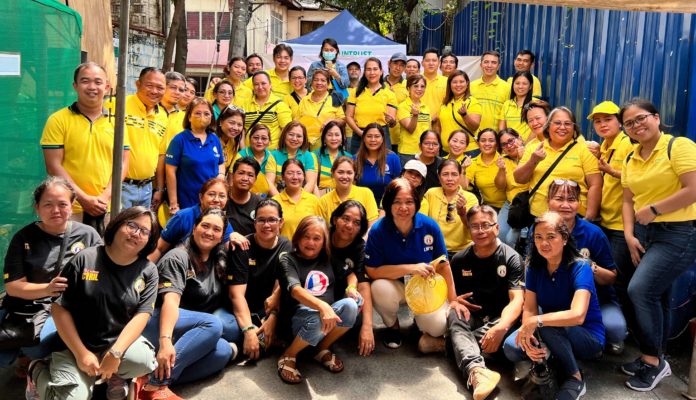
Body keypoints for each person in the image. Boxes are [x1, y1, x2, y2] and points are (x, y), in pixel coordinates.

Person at [28, 207, 160, 400]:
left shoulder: (149, 270)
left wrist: (116, 353)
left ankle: (113, 374)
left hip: (116, 344)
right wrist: (81, 354)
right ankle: (38, 372)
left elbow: (143, 314)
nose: (136, 234)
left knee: (143, 361)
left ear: (149, 239)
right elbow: (58, 306)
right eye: (131, 225)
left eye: (144, 231)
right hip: (74, 346)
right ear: (117, 225)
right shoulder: (86, 258)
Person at [619, 99, 696, 391]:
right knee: (657, 295)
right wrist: (629, 234)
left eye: (641, 119)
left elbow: (694, 189)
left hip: (678, 233)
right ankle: (655, 356)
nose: (637, 126)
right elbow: (628, 199)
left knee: (640, 290)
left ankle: (653, 361)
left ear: (656, 117)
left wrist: (655, 210)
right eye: (629, 123)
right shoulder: (631, 157)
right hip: (644, 233)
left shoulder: (679, 146)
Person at [2, 177, 101, 373]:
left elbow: (102, 275)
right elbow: (13, 286)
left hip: (71, 309)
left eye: (62, 204)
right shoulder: (22, 237)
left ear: (72, 206)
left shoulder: (89, 235)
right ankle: (32, 359)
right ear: (37, 207)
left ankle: (42, 363)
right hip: (30, 309)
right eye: (48, 204)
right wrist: (47, 289)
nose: (56, 210)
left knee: (41, 344)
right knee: (16, 349)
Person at [503, 212, 604, 400]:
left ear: (564, 239)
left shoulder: (581, 267)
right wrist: (528, 336)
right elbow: (530, 308)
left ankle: (575, 377)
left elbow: (578, 315)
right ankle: (547, 358)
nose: (544, 243)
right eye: (538, 237)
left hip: (586, 336)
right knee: (512, 348)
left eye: (551, 237)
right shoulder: (533, 266)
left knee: (548, 326)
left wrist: (536, 322)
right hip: (550, 326)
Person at [139, 208, 233, 400]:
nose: (209, 232)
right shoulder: (178, 256)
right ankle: (155, 385)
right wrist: (165, 342)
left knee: (223, 350)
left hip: (185, 327)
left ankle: (146, 379)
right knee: (213, 324)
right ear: (194, 227)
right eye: (205, 226)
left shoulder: (218, 257)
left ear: (222, 236)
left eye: (216, 229)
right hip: (157, 322)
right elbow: (170, 301)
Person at [365, 178, 459, 350]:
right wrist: (411, 268)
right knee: (378, 288)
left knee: (438, 327)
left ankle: (420, 325)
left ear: (416, 203)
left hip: (425, 287)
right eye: (397, 202)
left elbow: (444, 264)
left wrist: (453, 300)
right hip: (395, 285)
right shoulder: (378, 230)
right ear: (388, 204)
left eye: (409, 202)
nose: (403, 208)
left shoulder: (429, 226)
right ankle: (393, 327)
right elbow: (372, 270)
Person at [41, 62, 128, 233]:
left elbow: (124, 162)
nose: (92, 87)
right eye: (85, 81)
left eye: (98, 82)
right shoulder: (58, 120)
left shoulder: (117, 121)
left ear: (107, 86)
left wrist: (105, 197)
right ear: (75, 86)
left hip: (108, 207)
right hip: (70, 207)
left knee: (105, 255)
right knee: (70, 256)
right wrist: (82, 198)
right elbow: (53, 165)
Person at [448, 205, 524, 400]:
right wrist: (454, 299)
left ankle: (450, 345)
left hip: (502, 318)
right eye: (474, 226)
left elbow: (517, 301)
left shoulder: (512, 258)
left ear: (496, 228)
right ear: (469, 229)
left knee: (458, 338)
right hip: (473, 316)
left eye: (485, 225)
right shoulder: (458, 260)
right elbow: (449, 294)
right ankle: (477, 372)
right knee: (455, 313)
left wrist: (500, 327)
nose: (480, 231)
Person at [544, 180, 627, 354]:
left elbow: (611, 277)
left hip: (596, 300)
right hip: (554, 297)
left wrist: (588, 266)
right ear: (548, 201)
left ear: (579, 203)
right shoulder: (538, 230)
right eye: (559, 198)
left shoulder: (593, 233)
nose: (565, 205)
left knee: (615, 329)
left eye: (572, 199)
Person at [276, 216, 359, 384]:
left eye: (316, 238)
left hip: (325, 318)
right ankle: (289, 354)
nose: (310, 242)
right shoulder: (287, 258)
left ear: (324, 242)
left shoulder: (328, 257)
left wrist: (351, 288)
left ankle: (321, 349)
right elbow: (295, 290)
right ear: (298, 237)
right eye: (306, 236)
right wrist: (322, 306)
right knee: (317, 317)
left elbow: (351, 275)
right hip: (297, 320)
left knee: (352, 305)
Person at [226, 199, 292, 360]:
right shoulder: (243, 246)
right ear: (254, 223)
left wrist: (272, 319)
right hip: (239, 312)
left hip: (267, 311)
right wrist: (248, 330)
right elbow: (236, 295)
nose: (266, 225)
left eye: (272, 220)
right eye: (261, 220)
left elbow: (279, 290)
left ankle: (242, 346)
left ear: (281, 222)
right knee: (223, 327)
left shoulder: (287, 247)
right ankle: (248, 342)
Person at [586, 101, 634, 314]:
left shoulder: (628, 144)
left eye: (608, 120)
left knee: (616, 278)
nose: (603, 125)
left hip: (622, 226)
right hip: (604, 221)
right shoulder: (604, 145)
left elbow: (639, 179)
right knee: (602, 276)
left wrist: (611, 171)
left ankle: (621, 328)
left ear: (620, 122)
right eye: (598, 121)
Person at [514, 107, 601, 220]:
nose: (562, 127)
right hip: (539, 216)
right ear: (548, 126)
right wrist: (533, 160)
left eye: (568, 124)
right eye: (557, 123)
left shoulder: (585, 149)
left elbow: (596, 184)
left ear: (574, 127)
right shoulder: (534, 148)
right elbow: (519, 179)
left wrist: (590, 217)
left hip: (574, 217)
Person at [150, 178, 239, 262]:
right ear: (201, 197)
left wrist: (236, 236)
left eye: (222, 196)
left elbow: (229, 246)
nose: (216, 200)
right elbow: (160, 248)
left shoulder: (222, 221)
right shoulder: (183, 217)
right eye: (211, 194)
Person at [329, 200, 376, 356]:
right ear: (335, 219)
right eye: (345, 219)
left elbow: (363, 283)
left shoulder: (360, 248)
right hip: (317, 292)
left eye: (356, 222)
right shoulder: (321, 235)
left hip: (342, 298)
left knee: (355, 312)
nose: (349, 225)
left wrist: (367, 327)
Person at [165, 98, 224, 213]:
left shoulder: (214, 139)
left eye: (207, 113)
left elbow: (221, 162)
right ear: (189, 117)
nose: (202, 116)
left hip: (211, 202)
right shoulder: (179, 140)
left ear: (211, 117)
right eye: (197, 113)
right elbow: (170, 172)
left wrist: (221, 175)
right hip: (187, 201)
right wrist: (173, 203)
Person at [121, 67, 169, 209]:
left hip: (146, 188)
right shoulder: (118, 104)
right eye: (149, 85)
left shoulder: (162, 116)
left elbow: (161, 155)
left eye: (160, 87)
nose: (154, 91)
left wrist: (159, 189)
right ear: (138, 84)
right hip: (121, 186)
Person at [422, 159, 479, 257]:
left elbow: (473, 227)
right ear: (439, 177)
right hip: (435, 250)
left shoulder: (470, 198)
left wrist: (462, 213)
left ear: (460, 176)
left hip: (462, 252)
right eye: (445, 174)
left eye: (454, 174)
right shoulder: (431, 193)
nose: (450, 178)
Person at [345, 57, 398, 154]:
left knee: (383, 167)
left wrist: (391, 121)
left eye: (375, 69)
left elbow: (392, 123)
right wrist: (360, 133)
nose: (372, 72)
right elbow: (348, 116)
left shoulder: (389, 94)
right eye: (368, 69)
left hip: (381, 136)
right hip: (359, 135)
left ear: (381, 71)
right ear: (364, 72)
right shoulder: (355, 92)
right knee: (358, 167)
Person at [316, 156, 379, 226]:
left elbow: (372, 224)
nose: (345, 177)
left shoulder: (366, 194)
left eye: (349, 173)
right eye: (340, 172)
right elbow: (322, 231)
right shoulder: (323, 202)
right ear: (333, 173)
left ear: (354, 174)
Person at [241, 71, 292, 150]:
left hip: (272, 153)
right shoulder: (244, 105)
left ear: (270, 85)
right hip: (249, 154)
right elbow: (242, 130)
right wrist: (243, 150)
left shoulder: (280, 105)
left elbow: (286, 129)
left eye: (263, 83)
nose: (260, 87)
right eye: (256, 84)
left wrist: (278, 150)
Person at [435, 70, 482, 156]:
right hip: (446, 151)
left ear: (467, 83)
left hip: (468, 151)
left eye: (461, 82)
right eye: (454, 82)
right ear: (450, 84)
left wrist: (465, 115)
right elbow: (439, 125)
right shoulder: (445, 103)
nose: (458, 85)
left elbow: (475, 126)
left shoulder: (472, 102)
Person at [354, 123, 402, 205]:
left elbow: (399, 185)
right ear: (364, 138)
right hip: (361, 206)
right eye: (369, 136)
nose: (373, 140)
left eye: (377, 136)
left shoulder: (393, 158)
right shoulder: (355, 159)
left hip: (387, 206)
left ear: (383, 138)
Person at [297, 69, 346, 150]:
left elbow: (343, 120)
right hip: (304, 142)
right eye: (316, 80)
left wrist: (332, 121)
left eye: (323, 80)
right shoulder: (304, 100)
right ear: (312, 83)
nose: (319, 83)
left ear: (328, 84)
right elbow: (297, 120)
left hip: (325, 142)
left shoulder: (334, 98)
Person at [272, 159, 320, 239]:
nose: (295, 177)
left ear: (304, 176)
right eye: (290, 173)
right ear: (283, 177)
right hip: (285, 249)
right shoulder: (274, 202)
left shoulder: (314, 200)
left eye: (299, 173)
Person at [495, 128, 527, 247]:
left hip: (527, 204)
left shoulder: (531, 154)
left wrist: (523, 159)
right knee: (498, 234)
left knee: (510, 239)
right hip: (511, 202)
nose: (509, 146)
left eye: (511, 141)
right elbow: (500, 186)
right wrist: (501, 170)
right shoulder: (503, 160)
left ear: (519, 138)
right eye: (504, 144)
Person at [271, 122, 318, 193]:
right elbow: (270, 183)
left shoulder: (308, 156)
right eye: (291, 135)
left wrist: (299, 200)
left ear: (304, 139)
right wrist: (279, 201)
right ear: (284, 135)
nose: (294, 139)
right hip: (278, 196)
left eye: (299, 136)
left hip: (301, 197)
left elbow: (311, 183)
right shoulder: (273, 155)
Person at [466, 129, 507, 211]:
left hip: (508, 204)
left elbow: (501, 186)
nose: (487, 144)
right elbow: (463, 187)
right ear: (478, 143)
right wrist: (463, 170)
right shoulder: (472, 162)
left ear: (497, 144)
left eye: (491, 141)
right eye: (483, 141)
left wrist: (501, 169)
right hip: (487, 207)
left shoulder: (505, 159)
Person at [470, 51, 510, 132]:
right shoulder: (471, 86)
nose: (489, 65)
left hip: (495, 138)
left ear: (498, 66)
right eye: (486, 62)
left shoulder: (507, 88)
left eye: (494, 62)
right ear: (481, 65)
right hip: (472, 137)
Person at [397, 74, 431, 163]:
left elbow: (429, 130)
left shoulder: (426, 107)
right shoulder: (403, 106)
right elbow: (410, 129)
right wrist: (415, 116)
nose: (419, 89)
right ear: (408, 88)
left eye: (422, 86)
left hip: (425, 152)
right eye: (415, 86)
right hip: (408, 152)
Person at [237, 124, 278, 197]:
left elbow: (268, 184)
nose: (259, 141)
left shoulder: (271, 157)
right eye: (256, 138)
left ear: (269, 142)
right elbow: (232, 182)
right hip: (242, 194)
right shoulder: (241, 156)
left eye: (264, 138)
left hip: (264, 195)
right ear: (249, 139)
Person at [225, 157, 264, 236]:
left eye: (250, 175)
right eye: (241, 173)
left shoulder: (260, 204)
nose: (245, 178)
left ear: (255, 179)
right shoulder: (221, 198)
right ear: (232, 175)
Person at [313, 121, 351, 195]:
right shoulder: (314, 155)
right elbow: (312, 184)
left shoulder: (349, 157)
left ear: (343, 137)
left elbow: (351, 185)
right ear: (324, 138)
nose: (334, 138)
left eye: (337, 135)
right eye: (330, 135)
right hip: (320, 197)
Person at [497, 71, 534, 142]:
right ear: (513, 85)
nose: (520, 86)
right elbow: (502, 128)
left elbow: (536, 130)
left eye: (524, 84)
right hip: (510, 147)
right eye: (517, 83)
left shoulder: (535, 104)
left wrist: (525, 146)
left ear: (530, 86)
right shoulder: (507, 104)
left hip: (529, 148)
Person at [385, 52, 409, 152]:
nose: (398, 68)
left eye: (402, 65)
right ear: (389, 64)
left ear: (404, 68)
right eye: (395, 63)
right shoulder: (378, 83)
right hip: (380, 134)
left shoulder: (408, 85)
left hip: (400, 137)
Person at [217, 105, 246, 176]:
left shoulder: (234, 141)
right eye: (232, 123)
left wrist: (241, 142)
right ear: (221, 122)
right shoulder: (211, 140)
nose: (236, 128)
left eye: (239, 125)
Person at [421, 48, 448, 121]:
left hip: (440, 124)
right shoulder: (415, 81)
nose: (431, 63)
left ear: (439, 63)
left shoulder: (447, 82)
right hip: (419, 124)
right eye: (427, 60)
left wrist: (436, 117)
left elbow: (448, 104)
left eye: (434, 60)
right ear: (422, 63)